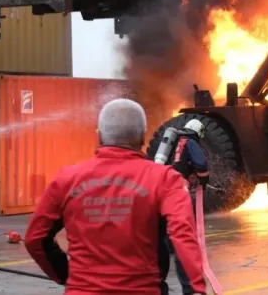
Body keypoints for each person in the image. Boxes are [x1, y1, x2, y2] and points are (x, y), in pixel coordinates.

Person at [24, 99, 207, 295]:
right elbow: (183, 235)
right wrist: (195, 289)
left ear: (99, 136)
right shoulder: (166, 179)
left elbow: (35, 238)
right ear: (143, 137)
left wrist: (65, 275)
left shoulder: (66, 179)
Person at [148, 119, 210, 295]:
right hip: (175, 192)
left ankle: (158, 284)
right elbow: (201, 164)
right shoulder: (190, 141)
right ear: (198, 132)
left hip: (156, 190)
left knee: (159, 239)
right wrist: (203, 179)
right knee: (182, 240)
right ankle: (190, 288)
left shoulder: (170, 141)